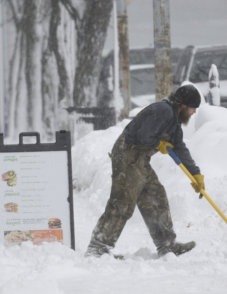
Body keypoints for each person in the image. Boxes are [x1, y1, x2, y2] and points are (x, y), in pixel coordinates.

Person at [86, 85, 204, 258]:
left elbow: (179, 147)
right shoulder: (163, 111)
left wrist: (195, 173)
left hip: (139, 160)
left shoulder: (173, 120)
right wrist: (159, 145)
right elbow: (143, 135)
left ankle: (166, 245)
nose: (194, 113)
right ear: (184, 106)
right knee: (122, 202)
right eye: (193, 108)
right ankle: (98, 248)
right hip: (127, 155)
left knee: (155, 197)